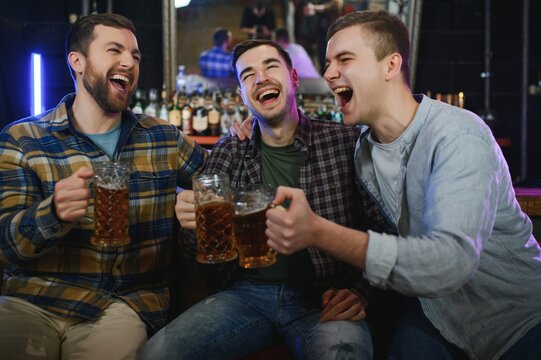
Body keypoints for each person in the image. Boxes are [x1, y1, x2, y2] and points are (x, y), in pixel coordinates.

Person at [264, 10, 541, 360]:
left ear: (391, 65)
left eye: (344, 59)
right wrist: (254, 121)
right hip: (438, 315)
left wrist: (318, 231)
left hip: (520, 316)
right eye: (328, 62)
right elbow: (302, 130)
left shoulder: (458, 134)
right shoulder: (362, 148)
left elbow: (450, 261)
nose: (329, 73)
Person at [141, 39, 378, 360]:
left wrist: (361, 291)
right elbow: (197, 251)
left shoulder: (344, 142)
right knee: (158, 353)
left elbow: (381, 227)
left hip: (323, 296)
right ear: (241, 94)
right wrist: (190, 224)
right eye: (248, 74)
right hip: (246, 295)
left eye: (270, 67)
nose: (261, 78)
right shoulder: (230, 150)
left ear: (293, 79)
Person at [0, 13, 208, 359]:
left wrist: (252, 128)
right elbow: (7, 243)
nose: (128, 61)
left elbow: (226, 177)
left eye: (135, 55)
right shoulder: (23, 139)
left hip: (123, 303)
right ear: (77, 62)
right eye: (114, 50)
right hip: (34, 299)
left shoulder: (162, 138)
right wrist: (51, 213)